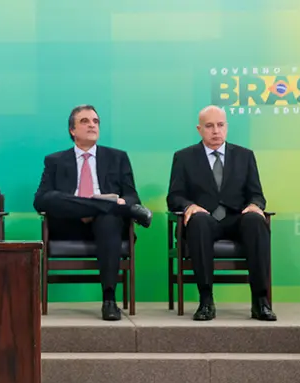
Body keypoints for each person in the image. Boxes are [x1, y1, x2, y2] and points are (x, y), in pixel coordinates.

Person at [33, 105, 152, 321]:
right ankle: (108, 206)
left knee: (107, 217)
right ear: (72, 130)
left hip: (107, 227)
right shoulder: (55, 160)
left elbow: (133, 197)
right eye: (85, 121)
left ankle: (109, 300)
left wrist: (124, 202)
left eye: (95, 121)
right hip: (68, 225)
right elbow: (40, 199)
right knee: (54, 197)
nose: (92, 125)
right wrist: (111, 205)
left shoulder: (117, 157)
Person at [166, 105, 276, 321]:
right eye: (209, 126)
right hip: (204, 220)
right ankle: (206, 300)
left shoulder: (245, 156)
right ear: (199, 129)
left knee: (255, 220)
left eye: (220, 125)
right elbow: (174, 197)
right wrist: (190, 207)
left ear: (226, 127)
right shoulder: (184, 157)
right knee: (198, 221)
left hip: (237, 219)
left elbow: (257, 195)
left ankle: (260, 301)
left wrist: (255, 205)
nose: (215, 131)